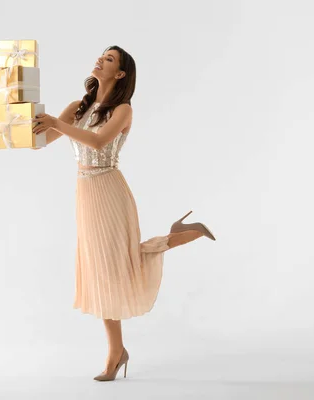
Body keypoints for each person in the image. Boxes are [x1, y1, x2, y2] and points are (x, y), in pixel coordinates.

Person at [32, 45, 216, 382]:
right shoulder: (78, 106)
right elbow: (39, 141)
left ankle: (180, 235)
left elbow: (99, 142)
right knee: (102, 271)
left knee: (118, 265)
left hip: (110, 190)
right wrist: (17, 119)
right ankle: (117, 351)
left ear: (120, 74)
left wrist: (58, 122)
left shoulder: (123, 109)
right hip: (85, 192)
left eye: (111, 58)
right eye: (102, 55)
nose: (101, 58)